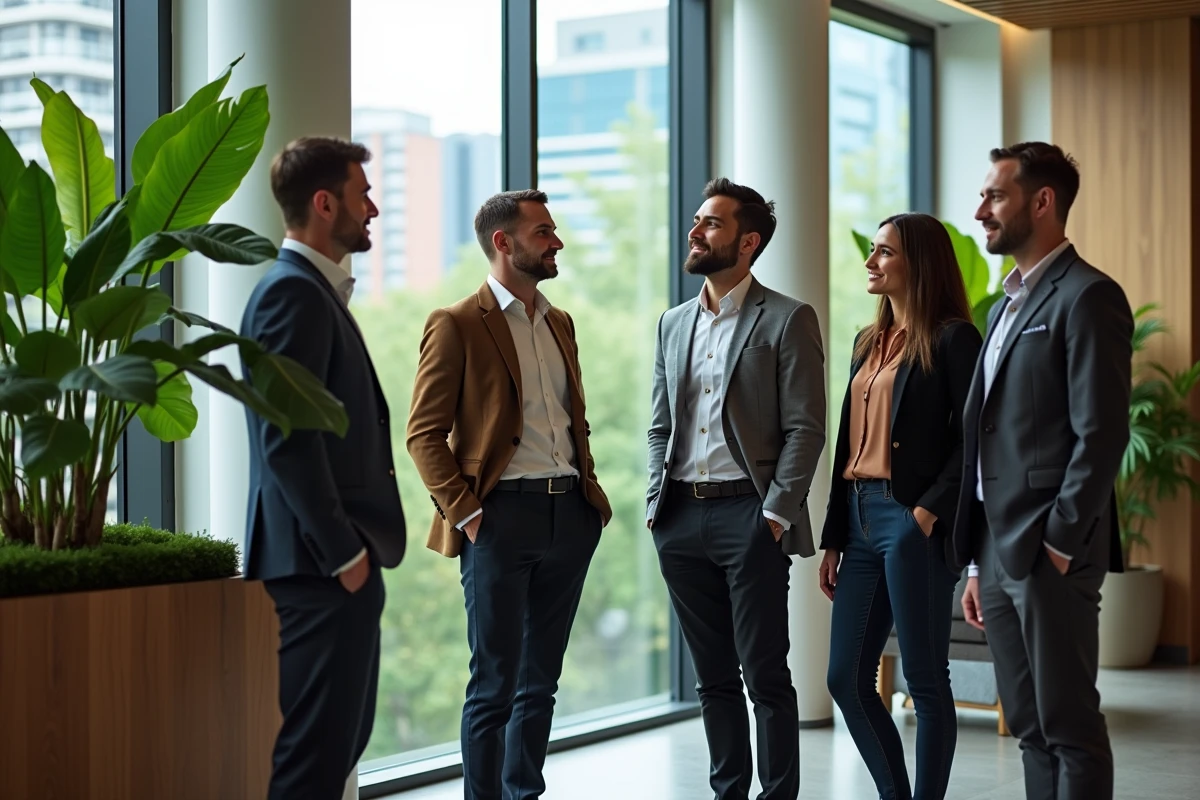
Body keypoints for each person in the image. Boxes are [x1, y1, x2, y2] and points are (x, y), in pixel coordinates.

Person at [406, 189, 611, 800]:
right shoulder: (458, 323)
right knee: (493, 685)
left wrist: (588, 501)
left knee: (539, 683)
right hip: (499, 519)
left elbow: (572, 420)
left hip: (568, 515)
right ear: (504, 242)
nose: (557, 242)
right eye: (544, 231)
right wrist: (468, 515)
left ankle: (525, 793)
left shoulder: (560, 322)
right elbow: (423, 434)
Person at [955, 142, 1132, 800]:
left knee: (1069, 727)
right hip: (996, 554)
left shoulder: (1088, 297)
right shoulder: (1002, 309)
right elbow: (987, 438)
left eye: (994, 196)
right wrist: (977, 562)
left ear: (1042, 201)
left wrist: (1059, 540)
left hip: (1048, 549)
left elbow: (1102, 432)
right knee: (1027, 726)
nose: (981, 211)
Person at [646, 177, 825, 800]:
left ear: (748, 242)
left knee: (766, 677)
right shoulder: (673, 323)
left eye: (712, 224)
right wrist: (654, 507)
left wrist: (774, 515)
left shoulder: (787, 318)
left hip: (749, 518)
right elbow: (660, 425)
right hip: (680, 520)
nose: (696, 231)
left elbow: (806, 429)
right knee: (712, 680)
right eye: (698, 221)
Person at [240, 137, 407, 800]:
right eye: (362, 194)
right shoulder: (293, 295)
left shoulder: (312, 291)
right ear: (324, 202)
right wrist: (345, 555)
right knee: (313, 758)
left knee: (335, 746)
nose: (373, 208)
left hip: (330, 566)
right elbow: (287, 441)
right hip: (320, 567)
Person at [818, 213, 981, 800]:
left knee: (926, 680)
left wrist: (927, 515)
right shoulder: (869, 341)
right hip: (858, 518)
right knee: (845, 678)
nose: (870, 261)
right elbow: (847, 444)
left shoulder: (953, 338)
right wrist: (835, 534)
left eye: (884, 252)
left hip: (911, 520)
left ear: (920, 263)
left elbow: (973, 438)